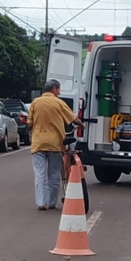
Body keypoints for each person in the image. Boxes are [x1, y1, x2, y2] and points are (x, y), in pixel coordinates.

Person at [27, 79, 85, 211]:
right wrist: (82, 125)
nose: (59, 92)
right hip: (55, 143)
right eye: (58, 89)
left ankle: (41, 203)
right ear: (54, 89)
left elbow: (29, 124)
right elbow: (73, 119)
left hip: (38, 144)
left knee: (39, 174)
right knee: (53, 174)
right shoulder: (59, 103)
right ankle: (52, 202)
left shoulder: (35, 103)